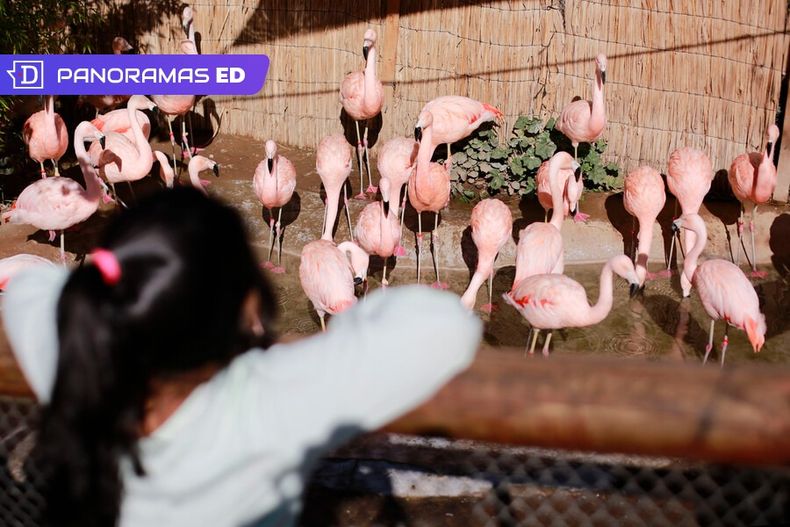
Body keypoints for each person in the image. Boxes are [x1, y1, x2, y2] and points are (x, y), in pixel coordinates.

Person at [2, 187, 482, 527]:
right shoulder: (273, 398)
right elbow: (446, 325)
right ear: (246, 306)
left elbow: (33, 285)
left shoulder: (74, 355)